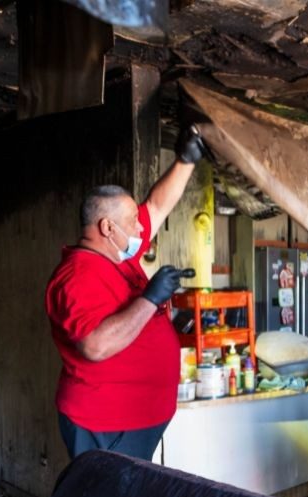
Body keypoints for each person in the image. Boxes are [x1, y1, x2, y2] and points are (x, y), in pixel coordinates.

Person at [45, 127, 206, 461]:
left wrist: (186, 160)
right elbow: (95, 344)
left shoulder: (119, 256)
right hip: (104, 423)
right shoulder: (77, 275)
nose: (139, 228)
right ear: (107, 227)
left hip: (130, 420)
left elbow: (158, 207)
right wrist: (149, 299)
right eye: (133, 222)